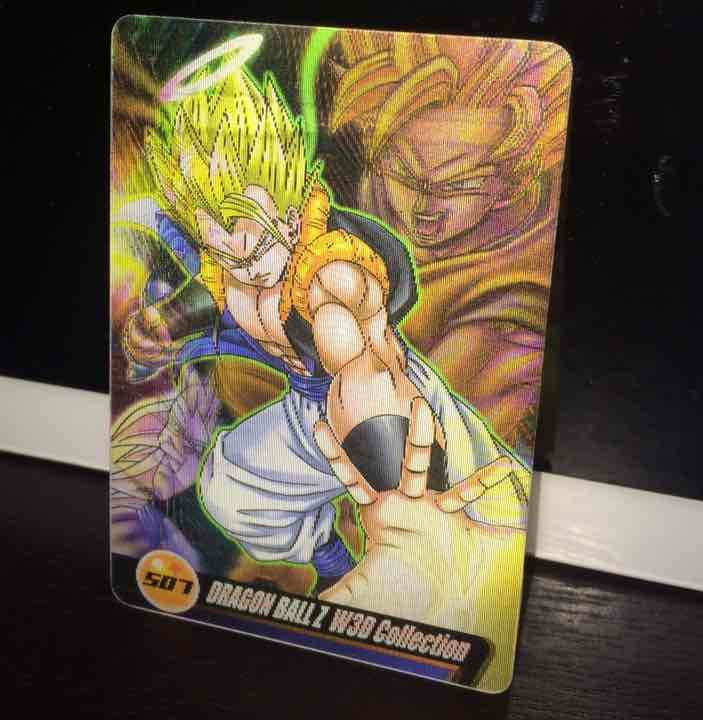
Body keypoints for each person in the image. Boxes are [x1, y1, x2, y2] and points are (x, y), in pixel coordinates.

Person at [116, 64, 530, 604]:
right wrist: (160, 325)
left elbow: (361, 373)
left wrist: (408, 496)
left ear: (292, 218)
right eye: (226, 254)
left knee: (465, 552)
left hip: (401, 414)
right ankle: (334, 565)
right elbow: (214, 286)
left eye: (257, 251)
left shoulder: (330, 275)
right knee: (229, 486)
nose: (247, 270)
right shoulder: (230, 250)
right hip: (308, 411)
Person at [320, 33, 571, 458]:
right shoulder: (371, 200)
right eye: (406, 173)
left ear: (511, 185)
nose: (425, 208)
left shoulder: (503, 326)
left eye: (458, 185)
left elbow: (432, 458)